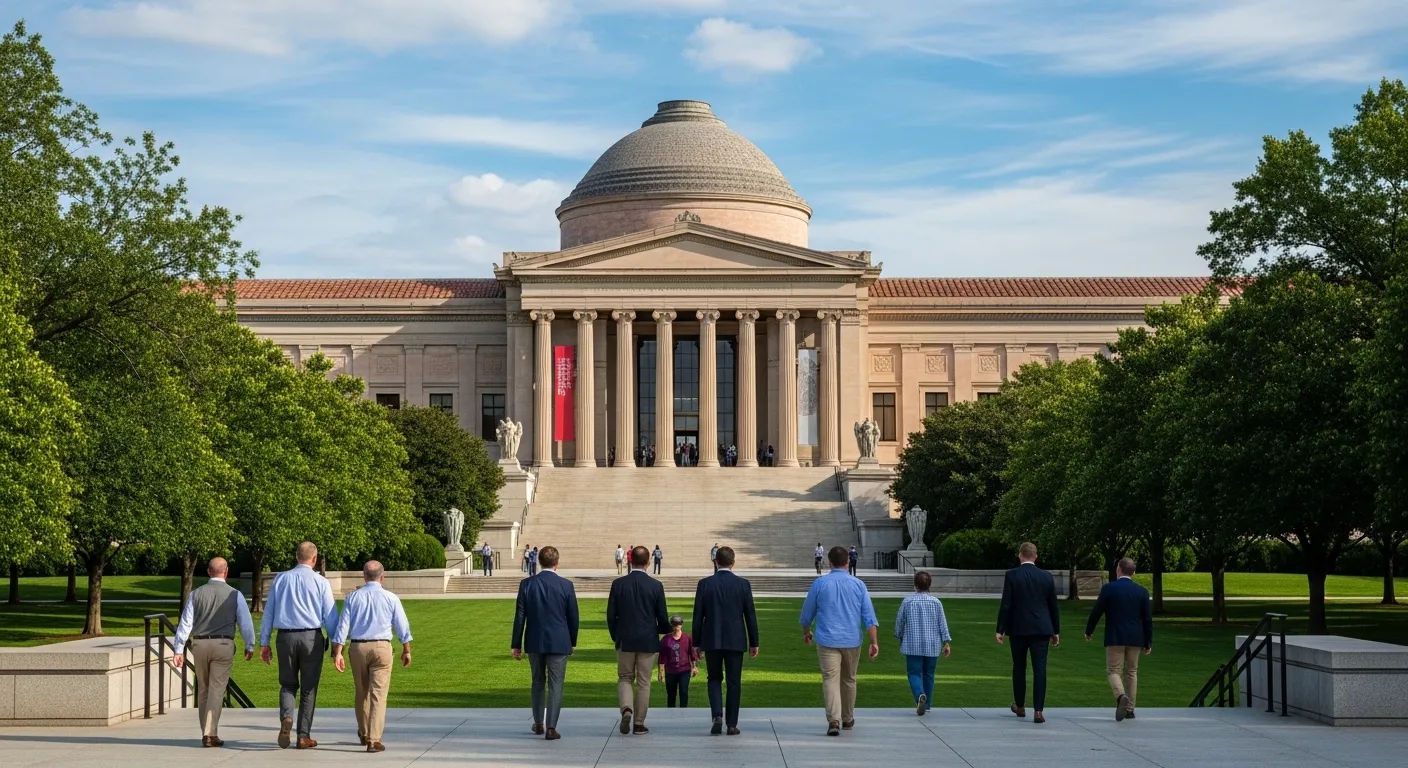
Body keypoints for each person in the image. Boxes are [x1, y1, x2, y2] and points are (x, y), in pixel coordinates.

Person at [259, 541, 338, 750]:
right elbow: (330, 616)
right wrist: (337, 646)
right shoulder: (321, 582)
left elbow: (269, 612)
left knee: (287, 684)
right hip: (311, 637)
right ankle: (303, 736)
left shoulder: (281, 579)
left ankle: (286, 717)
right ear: (314, 559)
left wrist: (264, 642)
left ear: (296, 556)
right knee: (308, 688)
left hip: (285, 638)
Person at [171, 557, 256, 748]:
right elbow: (245, 623)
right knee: (217, 690)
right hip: (223, 644)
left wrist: (179, 649)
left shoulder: (196, 594)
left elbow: (186, 623)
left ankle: (207, 732)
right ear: (226, 571)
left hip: (200, 645)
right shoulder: (235, 594)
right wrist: (250, 645)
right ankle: (210, 734)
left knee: (203, 690)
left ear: (209, 572)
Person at [331, 561, 412, 753]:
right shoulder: (391, 598)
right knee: (378, 695)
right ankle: (374, 739)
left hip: (358, 647)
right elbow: (402, 625)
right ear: (382, 577)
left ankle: (365, 732)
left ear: (364, 576)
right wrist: (406, 648)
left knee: (362, 693)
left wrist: (338, 651)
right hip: (382, 647)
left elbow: (343, 625)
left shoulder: (353, 597)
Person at [801, 546, 880, 736]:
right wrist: (873, 641)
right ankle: (847, 717)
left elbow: (806, 615)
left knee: (830, 679)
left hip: (827, 639)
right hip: (852, 639)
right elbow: (869, 617)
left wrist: (807, 631)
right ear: (847, 562)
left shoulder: (820, 584)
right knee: (849, 679)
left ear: (829, 562)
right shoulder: (858, 585)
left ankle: (834, 720)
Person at [511, 546, 578, 740]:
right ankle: (551, 727)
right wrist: (571, 641)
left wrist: (516, 644)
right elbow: (573, 617)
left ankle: (539, 722)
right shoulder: (566, 585)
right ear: (557, 563)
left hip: (535, 639)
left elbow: (520, 617)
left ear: (539, 562)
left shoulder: (527, 584)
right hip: (559, 641)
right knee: (556, 684)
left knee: (538, 682)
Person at [691, 546, 759, 735]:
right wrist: (754, 642)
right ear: (733, 562)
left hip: (711, 638)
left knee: (713, 678)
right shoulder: (743, 584)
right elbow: (750, 616)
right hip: (735, 639)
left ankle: (717, 715)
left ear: (715, 562)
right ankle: (732, 724)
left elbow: (698, 616)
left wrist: (696, 643)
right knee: (734, 682)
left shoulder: (705, 584)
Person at [606, 546, 671, 735]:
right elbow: (663, 618)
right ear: (649, 562)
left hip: (625, 639)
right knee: (644, 682)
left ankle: (627, 708)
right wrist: (660, 630)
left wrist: (616, 636)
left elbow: (611, 616)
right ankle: (639, 723)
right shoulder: (655, 586)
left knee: (625, 678)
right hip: (647, 640)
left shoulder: (618, 584)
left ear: (629, 560)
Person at [996, 541, 1061, 724]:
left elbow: (1006, 604)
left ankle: (1020, 706)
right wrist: (1055, 630)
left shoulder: (1012, 576)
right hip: (1041, 628)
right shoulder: (1046, 577)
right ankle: (1038, 711)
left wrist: (1000, 629)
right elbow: (1053, 606)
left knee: (1019, 668)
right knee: (1040, 669)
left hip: (1018, 628)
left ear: (1019, 555)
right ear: (1036, 556)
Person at [1085, 557, 1154, 722]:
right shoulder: (1142, 591)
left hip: (1115, 636)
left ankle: (1121, 696)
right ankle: (1130, 709)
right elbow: (1147, 619)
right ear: (1134, 572)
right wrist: (1148, 641)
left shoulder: (1109, 588)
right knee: (1132, 672)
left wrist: (1089, 630)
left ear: (1118, 570)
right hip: (1136, 638)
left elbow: (1097, 611)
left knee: (1114, 671)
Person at [894, 571, 952, 716]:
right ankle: (927, 704)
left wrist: (899, 635)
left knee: (914, 673)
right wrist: (946, 642)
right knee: (929, 674)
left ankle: (920, 695)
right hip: (932, 644)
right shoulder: (936, 602)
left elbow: (899, 622)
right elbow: (942, 624)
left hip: (912, 643)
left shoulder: (907, 601)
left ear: (915, 584)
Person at [658, 615, 697, 707]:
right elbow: (662, 656)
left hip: (684, 670)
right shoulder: (666, 639)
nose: (677, 626)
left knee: (684, 692)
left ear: (681, 624)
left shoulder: (687, 638)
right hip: (670, 671)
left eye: (678, 624)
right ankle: (671, 713)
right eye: (674, 624)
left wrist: (694, 667)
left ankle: (684, 712)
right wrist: (661, 672)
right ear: (671, 625)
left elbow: (692, 654)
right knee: (671, 695)